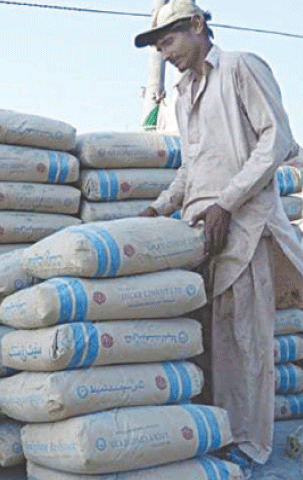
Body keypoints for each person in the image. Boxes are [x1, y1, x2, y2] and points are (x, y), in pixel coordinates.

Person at [134, 0, 303, 473]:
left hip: (246, 227)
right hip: (203, 232)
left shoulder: (239, 68)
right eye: (158, 46)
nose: (165, 53)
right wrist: (160, 206)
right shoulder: (183, 95)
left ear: (197, 25)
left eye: (168, 40)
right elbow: (193, 170)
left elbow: (276, 140)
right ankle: (222, 434)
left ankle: (250, 447)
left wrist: (226, 203)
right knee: (212, 345)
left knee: (247, 343)